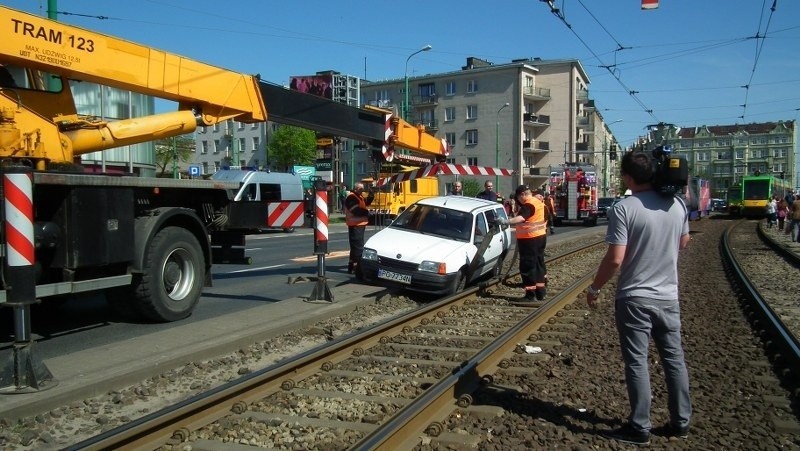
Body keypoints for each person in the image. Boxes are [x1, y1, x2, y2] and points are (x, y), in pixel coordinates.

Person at [586, 151, 692, 446]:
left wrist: (595, 288)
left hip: (634, 297)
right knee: (674, 359)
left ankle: (640, 427)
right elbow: (683, 242)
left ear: (629, 177)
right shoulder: (677, 204)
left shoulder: (624, 208)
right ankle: (681, 422)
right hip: (668, 296)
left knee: (637, 362)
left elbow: (616, 259)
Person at [506, 185, 547, 301]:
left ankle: (530, 294)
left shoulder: (528, 204)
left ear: (522, 195)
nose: (518, 201)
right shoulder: (538, 202)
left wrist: (506, 222)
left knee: (528, 266)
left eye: (518, 198)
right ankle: (540, 292)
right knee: (539, 264)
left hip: (529, 240)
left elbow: (521, 218)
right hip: (540, 236)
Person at [344, 183, 373, 274]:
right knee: (358, 247)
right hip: (355, 224)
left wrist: (371, 193)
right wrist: (367, 213)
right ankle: (358, 268)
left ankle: (352, 266)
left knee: (355, 247)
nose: (362, 190)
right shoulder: (351, 198)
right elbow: (355, 210)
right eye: (361, 189)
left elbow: (367, 202)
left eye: (363, 189)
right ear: (356, 188)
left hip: (359, 224)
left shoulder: (359, 196)